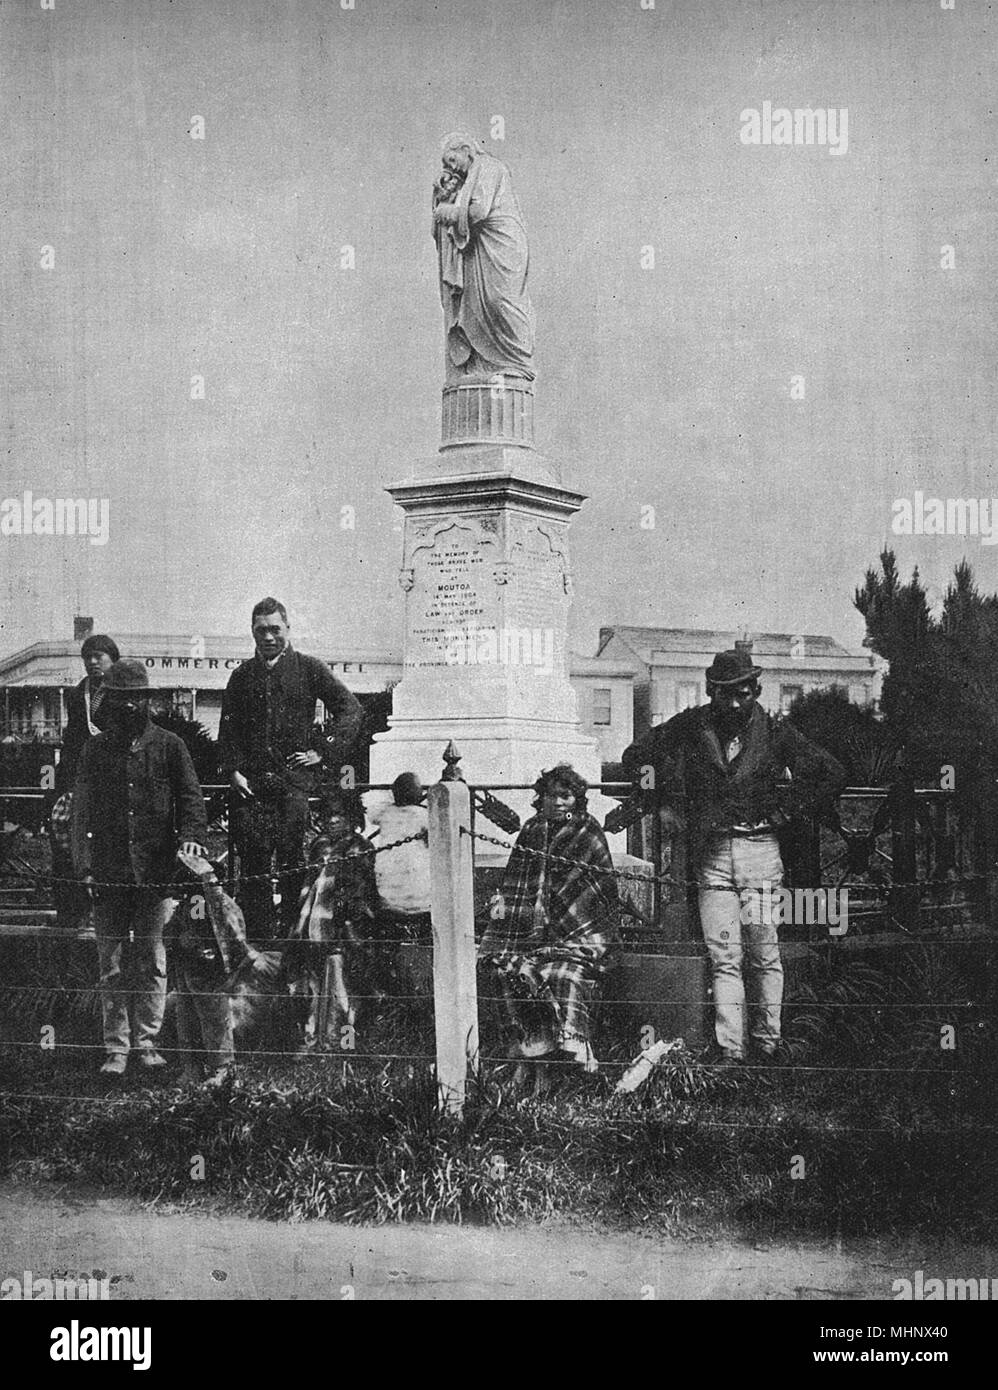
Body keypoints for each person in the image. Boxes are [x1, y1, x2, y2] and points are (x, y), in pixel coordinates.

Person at [621, 648, 847, 1067]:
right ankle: (731, 1051)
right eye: (725, 694)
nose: (736, 703)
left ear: (756, 690)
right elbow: (636, 758)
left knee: (764, 952)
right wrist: (664, 801)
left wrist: (788, 810)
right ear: (712, 692)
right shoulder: (691, 725)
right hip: (712, 856)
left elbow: (831, 773)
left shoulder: (777, 732)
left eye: (744, 693)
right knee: (725, 956)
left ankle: (768, 1043)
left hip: (761, 851)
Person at [71, 659, 209, 1078]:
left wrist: (191, 838)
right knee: (111, 965)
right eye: (120, 699)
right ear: (109, 702)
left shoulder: (170, 746)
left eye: (137, 699)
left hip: (156, 873)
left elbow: (192, 800)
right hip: (110, 873)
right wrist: (84, 868)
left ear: (148, 700)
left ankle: (147, 1044)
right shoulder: (95, 750)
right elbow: (81, 813)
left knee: (152, 960)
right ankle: (116, 1048)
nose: (129, 707)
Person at [218, 598, 363, 942]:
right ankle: (257, 950)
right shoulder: (241, 677)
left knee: (291, 864)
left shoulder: (309, 668)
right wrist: (233, 771)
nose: (268, 637)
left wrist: (322, 751)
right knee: (252, 870)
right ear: (252, 632)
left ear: (287, 629)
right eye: (260, 630)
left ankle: (291, 946)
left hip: (291, 788)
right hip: (250, 790)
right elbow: (228, 731)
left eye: (275, 629)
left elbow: (351, 710)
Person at [480, 764, 620, 1094]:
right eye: (550, 796)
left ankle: (568, 1060)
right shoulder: (531, 830)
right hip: (530, 938)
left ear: (577, 800)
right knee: (512, 973)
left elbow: (600, 889)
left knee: (563, 976)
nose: (557, 803)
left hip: (578, 938)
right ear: (540, 798)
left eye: (565, 796)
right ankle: (530, 1060)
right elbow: (516, 884)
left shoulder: (588, 832)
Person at [432, 132, 535, 384]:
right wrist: (445, 194)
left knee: (499, 299)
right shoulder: (469, 178)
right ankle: (481, 363)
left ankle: (517, 361)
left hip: (500, 242)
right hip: (479, 247)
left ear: (467, 151)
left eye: (452, 161)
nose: (450, 168)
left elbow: (478, 211)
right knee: (475, 306)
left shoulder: (488, 167)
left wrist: (449, 211)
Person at [169, 849, 277, 1087]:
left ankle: (222, 1068)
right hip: (189, 966)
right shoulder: (192, 903)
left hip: (207, 968)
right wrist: (179, 939)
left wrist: (195, 942)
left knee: (214, 1019)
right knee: (186, 1019)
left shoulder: (212, 902)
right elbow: (180, 930)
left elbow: (228, 934)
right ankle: (192, 1069)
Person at [285, 793, 378, 1056]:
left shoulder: (360, 847)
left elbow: (359, 895)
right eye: (328, 816)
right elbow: (308, 886)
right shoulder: (318, 846)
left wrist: (347, 927)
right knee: (310, 985)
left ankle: (339, 1040)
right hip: (311, 926)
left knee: (340, 986)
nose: (333, 820)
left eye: (340, 815)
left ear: (353, 818)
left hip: (340, 929)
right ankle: (311, 1037)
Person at [49, 633, 120, 927]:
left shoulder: (121, 691)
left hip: (114, 780)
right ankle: (74, 914)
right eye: (88, 657)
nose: (93, 662)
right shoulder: (80, 694)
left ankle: (109, 915)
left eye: (99, 656)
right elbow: (72, 741)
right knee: (72, 846)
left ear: (112, 659)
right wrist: (62, 786)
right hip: (82, 779)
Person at [370, 772, 430, 938]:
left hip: (387, 886)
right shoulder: (423, 815)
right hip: (416, 884)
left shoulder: (386, 813)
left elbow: (373, 814)